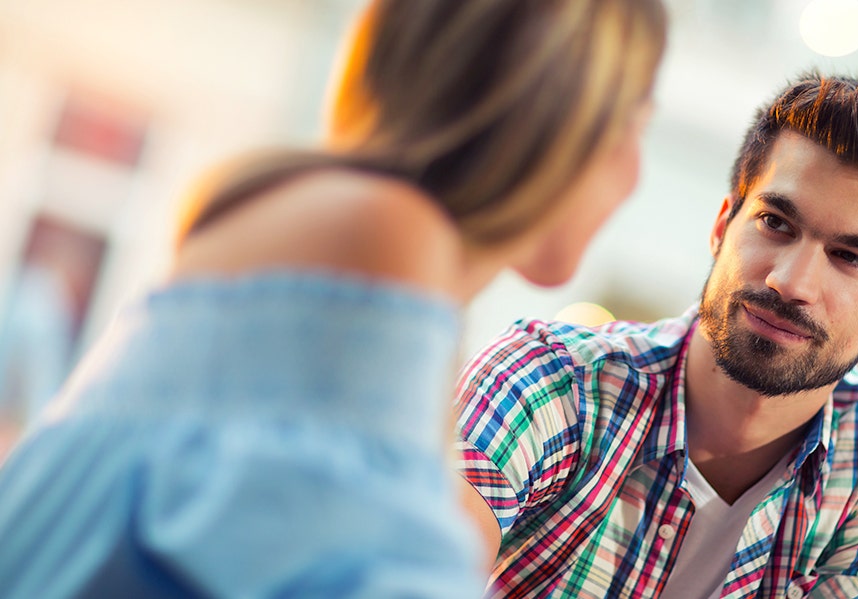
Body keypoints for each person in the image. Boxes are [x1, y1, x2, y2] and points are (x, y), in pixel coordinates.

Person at [0, 0, 666, 597]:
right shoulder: (384, 243)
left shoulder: (303, 228)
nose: (636, 174)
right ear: (558, 119)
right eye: (635, 121)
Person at [455, 72, 858, 599]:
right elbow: (407, 561)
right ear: (723, 226)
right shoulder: (552, 381)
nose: (790, 282)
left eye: (849, 258)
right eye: (776, 223)